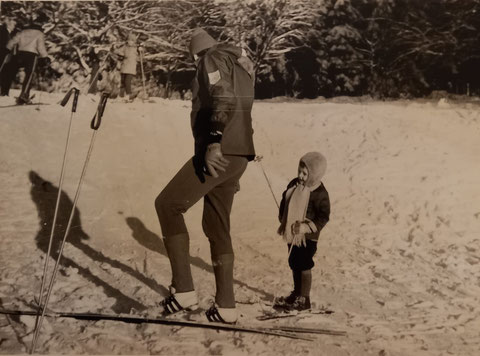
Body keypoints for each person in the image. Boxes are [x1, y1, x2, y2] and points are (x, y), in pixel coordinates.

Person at [154, 28, 256, 324]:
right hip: (239, 155)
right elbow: (241, 107)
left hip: (219, 151)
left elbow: (221, 97)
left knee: (168, 205)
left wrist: (213, 140)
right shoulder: (240, 67)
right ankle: (226, 307)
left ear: (195, 53)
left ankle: (183, 290)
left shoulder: (209, 59)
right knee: (216, 225)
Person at [274, 152, 330, 311]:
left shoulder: (320, 193)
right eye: (299, 170)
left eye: (305, 173)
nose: (300, 175)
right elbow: (287, 199)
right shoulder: (294, 183)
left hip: (307, 237)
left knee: (304, 263)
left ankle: (304, 299)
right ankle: (296, 293)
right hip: (292, 233)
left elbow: (323, 217)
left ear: (315, 175)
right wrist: (283, 216)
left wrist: (306, 227)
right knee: (294, 262)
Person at [5, 12, 49, 104]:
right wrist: (45, 57)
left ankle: (4, 90)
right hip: (32, 56)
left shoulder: (23, 31)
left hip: (20, 53)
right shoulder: (39, 33)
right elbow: (40, 46)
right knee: (29, 75)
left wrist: (8, 48)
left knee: (11, 71)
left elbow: (13, 40)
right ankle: (24, 95)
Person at [115, 33, 139, 101]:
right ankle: (121, 95)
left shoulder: (135, 48)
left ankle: (128, 95)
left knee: (127, 81)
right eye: (129, 40)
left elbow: (141, 56)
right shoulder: (125, 47)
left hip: (131, 67)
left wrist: (141, 51)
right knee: (122, 81)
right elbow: (119, 52)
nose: (130, 42)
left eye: (132, 40)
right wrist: (114, 49)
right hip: (124, 66)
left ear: (134, 41)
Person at [0, 16, 17, 96]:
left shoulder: (8, 32)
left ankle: (4, 92)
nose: (14, 26)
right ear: (9, 23)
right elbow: (3, 45)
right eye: (13, 24)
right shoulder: (3, 31)